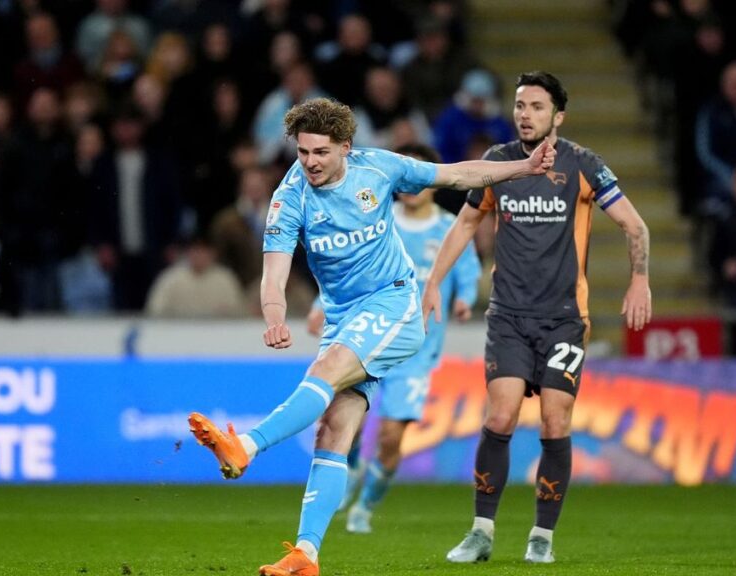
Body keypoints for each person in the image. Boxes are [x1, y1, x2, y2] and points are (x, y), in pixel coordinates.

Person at [187, 97, 555, 576]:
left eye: (320, 152)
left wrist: (523, 167)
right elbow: (273, 273)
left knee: (325, 372)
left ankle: (248, 445)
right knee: (334, 429)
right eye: (302, 152)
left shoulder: (378, 168)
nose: (310, 163)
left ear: (346, 147)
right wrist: (275, 316)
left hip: (395, 304)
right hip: (343, 316)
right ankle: (306, 554)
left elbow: (455, 176)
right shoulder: (288, 195)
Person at [421, 72, 652, 565]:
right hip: (508, 315)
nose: (524, 114)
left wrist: (639, 280)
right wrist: (434, 281)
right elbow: (466, 223)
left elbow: (635, 224)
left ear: (557, 116)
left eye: (536, 106)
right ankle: (481, 532)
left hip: (565, 319)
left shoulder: (584, 165)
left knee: (554, 422)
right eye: (520, 105)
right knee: (500, 415)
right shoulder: (498, 164)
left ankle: (541, 537)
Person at [332, 143, 481, 534]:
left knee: (390, 437)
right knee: (344, 421)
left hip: (416, 351)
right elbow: (348, 268)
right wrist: (320, 304)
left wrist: (464, 299)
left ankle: (366, 505)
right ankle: (349, 469)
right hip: (369, 340)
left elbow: (467, 271)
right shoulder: (379, 220)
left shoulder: (449, 227)